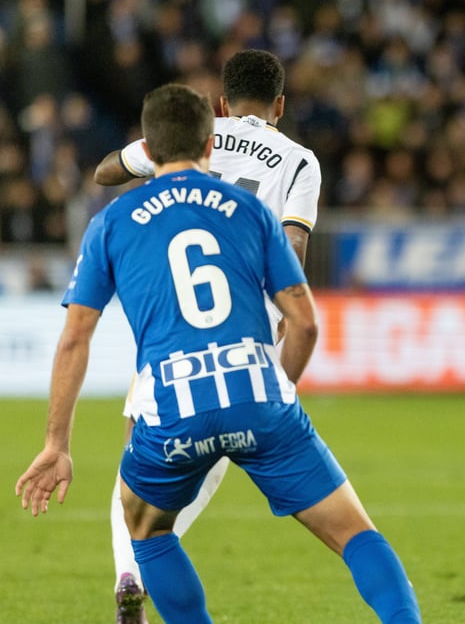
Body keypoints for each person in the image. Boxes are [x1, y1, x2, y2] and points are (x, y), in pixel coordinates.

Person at [14, 83, 420, 624]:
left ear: (149, 151)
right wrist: (279, 391)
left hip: (172, 403)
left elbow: (73, 339)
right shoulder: (250, 210)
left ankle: (134, 583)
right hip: (257, 390)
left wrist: (55, 443)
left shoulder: (111, 223)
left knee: (146, 529)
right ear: (210, 145)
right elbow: (303, 323)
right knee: (355, 533)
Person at [93, 48, 322, 623]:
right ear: (280, 105)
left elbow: (102, 173)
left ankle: (128, 570)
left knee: (137, 468)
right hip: (246, 342)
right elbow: (293, 247)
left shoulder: (191, 136)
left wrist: (149, 157)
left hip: (171, 331)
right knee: (209, 471)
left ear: (220, 102)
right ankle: (140, 569)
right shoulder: (298, 160)